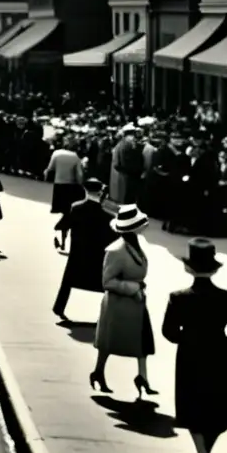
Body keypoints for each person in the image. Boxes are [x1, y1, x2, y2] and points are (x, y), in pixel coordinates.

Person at [162, 238, 227, 453]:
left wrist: (185, 340)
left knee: (192, 405)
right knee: (217, 405)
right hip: (219, 355)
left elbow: (168, 331)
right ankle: (205, 452)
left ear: (188, 268)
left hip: (190, 355)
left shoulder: (178, 298)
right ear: (214, 269)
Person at [91, 204, 156, 397]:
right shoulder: (116, 251)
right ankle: (98, 371)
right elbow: (107, 281)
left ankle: (142, 376)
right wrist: (132, 288)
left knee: (142, 342)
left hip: (136, 303)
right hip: (119, 305)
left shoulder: (133, 244)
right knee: (109, 343)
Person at [53, 177, 115, 319]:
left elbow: (63, 224)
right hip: (97, 256)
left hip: (77, 253)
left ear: (85, 190)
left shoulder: (76, 208)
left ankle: (59, 307)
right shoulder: (109, 217)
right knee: (104, 285)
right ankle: (107, 315)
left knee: (67, 281)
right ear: (101, 193)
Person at [44, 135, 84, 250]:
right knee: (69, 212)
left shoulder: (56, 153)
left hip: (59, 186)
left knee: (64, 212)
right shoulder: (75, 157)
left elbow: (50, 169)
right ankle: (63, 235)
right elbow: (79, 176)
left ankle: (62, 235)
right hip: (71, 187)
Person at [110, 124, 144, 205]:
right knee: (128, 196)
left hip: (126, 173)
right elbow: (126, 161)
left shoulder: (122, 143)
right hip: (129, 174)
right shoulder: (127, 144)